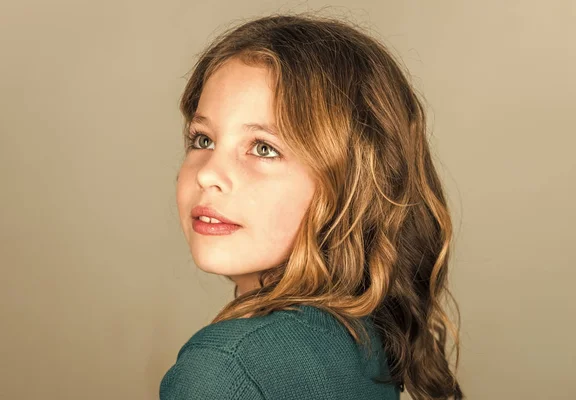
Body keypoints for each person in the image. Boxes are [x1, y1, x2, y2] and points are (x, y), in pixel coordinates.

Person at [160, 12, 463, 400]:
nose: (207, 175)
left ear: (351, 184)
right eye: (203, 140)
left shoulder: (225, 367)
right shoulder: (363, 335)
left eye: (264, 148)